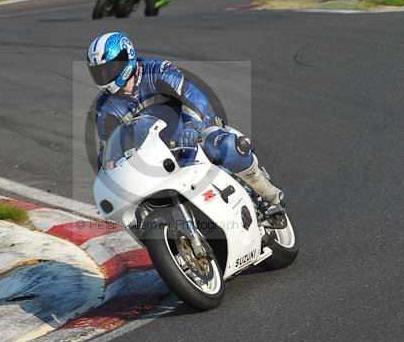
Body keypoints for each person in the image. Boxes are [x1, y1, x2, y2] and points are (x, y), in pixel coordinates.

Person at [86, 31, 283, 213]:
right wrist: (109, 182)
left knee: (223, 146)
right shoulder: (106, 107)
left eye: (109, 69)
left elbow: (194, 97)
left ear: (126, 58)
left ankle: (265, 190)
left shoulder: (157, 71)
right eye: (99, 72)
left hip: (191, 132)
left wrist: (192, 126)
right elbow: (107, 149)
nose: (105, 77)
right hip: (153, 156)